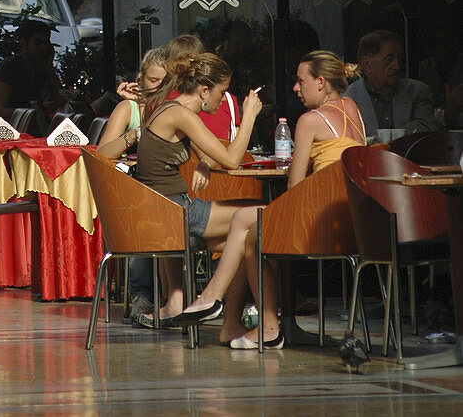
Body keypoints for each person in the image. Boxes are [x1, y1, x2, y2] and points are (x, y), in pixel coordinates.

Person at [177, 51, 366, 348]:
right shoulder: (353, 108)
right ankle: (239, 320)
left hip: (318, 222)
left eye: (300, 80)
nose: (295, 88)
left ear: (320, 82)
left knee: (245, 223)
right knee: (249, 232)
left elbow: (295, 186)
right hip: (349, 219)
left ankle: (223, 303)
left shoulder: (310, 120)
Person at [132, 49, 262, 327]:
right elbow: (230, 159)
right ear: (204, 91)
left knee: (238, 242)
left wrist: (203, 162)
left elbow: (210, 151)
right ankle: (212, 299)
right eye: (220, 92)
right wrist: (249, 116)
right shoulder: (183, 115)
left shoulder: (169, 109)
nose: (222, 99)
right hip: (176, 211)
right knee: (260, 214)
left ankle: (187, 307)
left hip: (163, 207)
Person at [98, 46, 169, 320]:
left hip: (169, 186)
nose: (159, 87)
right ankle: (143, 293)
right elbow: (102, 153)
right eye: (153, 81)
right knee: (145, 209)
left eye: (165, 82)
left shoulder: (180, 109)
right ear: (140, 80)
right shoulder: (128, 109)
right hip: (137, 190)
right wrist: (137, 134)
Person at [345, 30, 436, 135]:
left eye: (399, 58)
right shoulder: (347, 99)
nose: (396, 66)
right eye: (389, 59)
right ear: (367, 64)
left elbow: (425, 130)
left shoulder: (417, 92)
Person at [0, 18, 64, 122]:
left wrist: (49, 67)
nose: (43, 48)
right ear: (23, 43)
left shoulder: (41, 68)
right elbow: (0, 112)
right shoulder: (7, 68)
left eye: (46, 44)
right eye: (37, 43)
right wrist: (37, 110)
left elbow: (60, 99)